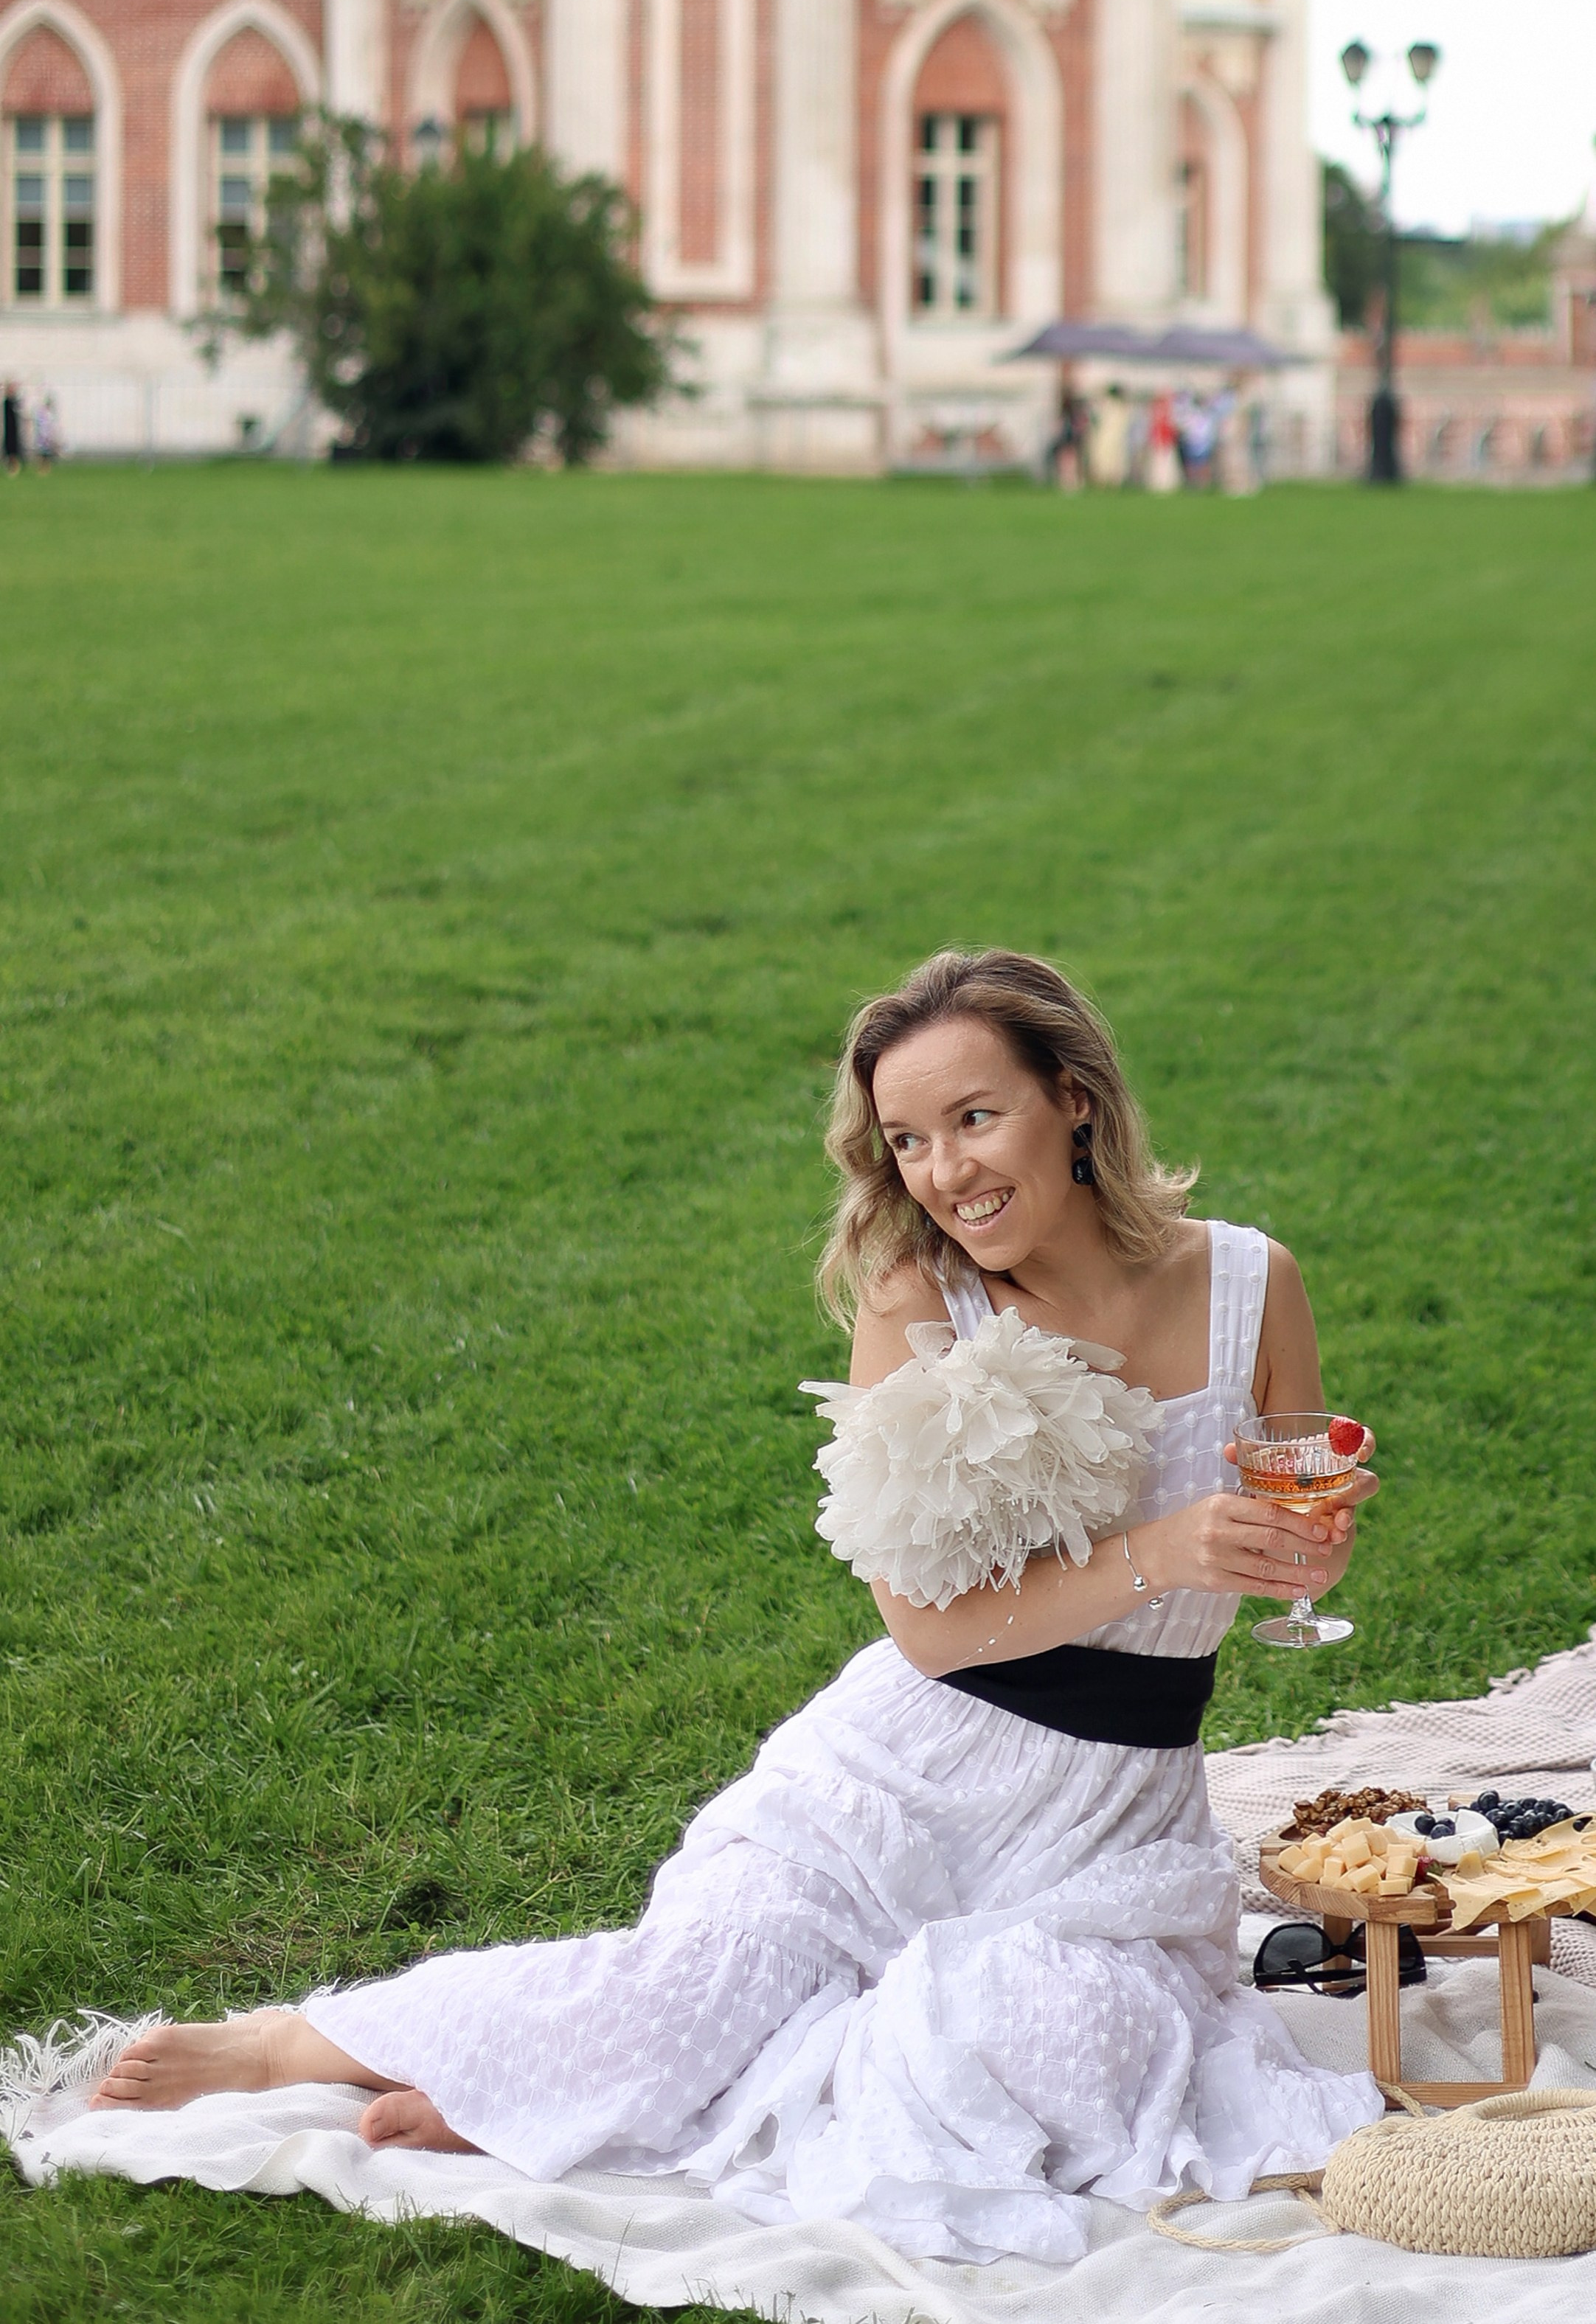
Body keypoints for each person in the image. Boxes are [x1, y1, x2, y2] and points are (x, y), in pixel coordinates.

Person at [83, 951, 1382, 2264]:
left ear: (1074, 1100)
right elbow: (929, 1631)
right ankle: (298, 2044)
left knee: (1052, 2039)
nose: (944, 1171)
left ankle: (615, 2093)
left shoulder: (1248, 1281)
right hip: (904, 1782)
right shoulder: (917, 1298)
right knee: (692, 1993)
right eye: (907, 1140)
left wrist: (1304, 1552)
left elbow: (1293, 1533)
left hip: (1108, 1817)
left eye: (976, 1117)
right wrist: (1159, 1552)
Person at [32, 392, 61, 474]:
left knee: (47, 453)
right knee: (41, 452)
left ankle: (47, 468)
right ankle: (41, 467)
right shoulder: (42, 413)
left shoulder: (50, 413)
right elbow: (39, 423)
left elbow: (52, 425)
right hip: (42, 435)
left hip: (48, 435)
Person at [2, 383, 24, 476]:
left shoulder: (14, 401)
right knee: (9, 448)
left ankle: (14, 467)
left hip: (14, 429)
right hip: (9, 430)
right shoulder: (7, 402)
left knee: (14, 449)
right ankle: (11, 467)